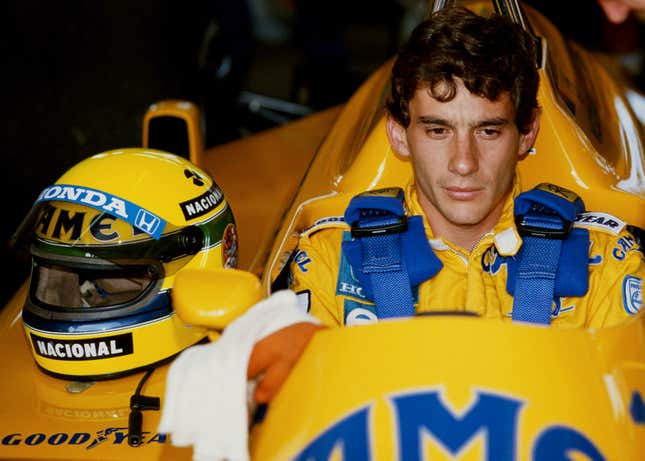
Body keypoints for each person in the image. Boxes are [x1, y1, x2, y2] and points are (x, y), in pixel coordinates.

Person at [246, 6, 644, 404]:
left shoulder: (605, 264)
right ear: (399, 135)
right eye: (438, 130)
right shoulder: (330, 261)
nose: (464, 163)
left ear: (526, 134)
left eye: (488, 131)